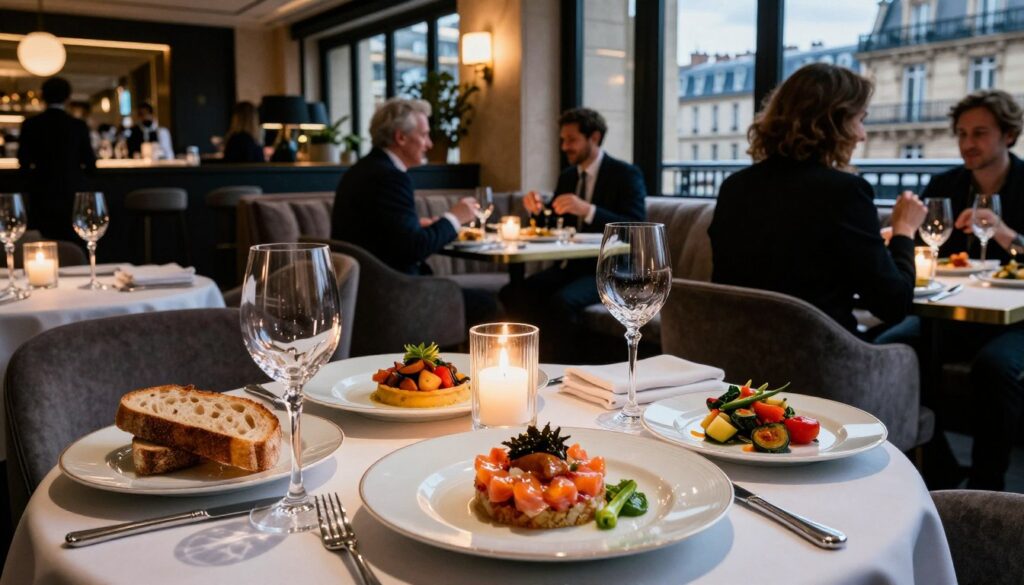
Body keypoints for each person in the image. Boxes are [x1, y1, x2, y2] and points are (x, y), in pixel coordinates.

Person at [708, 62, 927, 334]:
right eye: (859, 120)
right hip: (821, 363)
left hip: (740, 356)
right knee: (919, 330)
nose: (862, 135)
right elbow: (893, 305)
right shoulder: (845, 192)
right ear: (832, 122)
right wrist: (904, 230)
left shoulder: (734, 188)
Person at [910, 90, 1024, 490]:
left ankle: (986, 488)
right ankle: (937, 469)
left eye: (980, 133)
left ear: (1008, 135)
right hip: (954, 313)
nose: (967, 144)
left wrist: (1007, 234)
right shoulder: (945, 184)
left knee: (995, 368)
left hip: (1016, 321)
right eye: (961, 134)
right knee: (890, 349)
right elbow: (920, 245)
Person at [331, 97, 496, 325]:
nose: (429, 144)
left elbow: (384, 235)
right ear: (401, 137)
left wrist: (416, 226)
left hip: (365, 291)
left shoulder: (361, 171)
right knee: (490, 307)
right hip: (392, 298)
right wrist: (455, 217)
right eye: (424, 135)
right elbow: (414, 248)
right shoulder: (390, 178)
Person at [501, 107, 647, 359]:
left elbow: (635, 228)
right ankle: (524, 362)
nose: (565, 146)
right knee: (514, 292)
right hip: (571, 268)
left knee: (561, 302)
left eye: (571, 140)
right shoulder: (568, 177)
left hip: (613, 272)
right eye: (563, 140)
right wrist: (536, 210)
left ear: (595, 138)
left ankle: (568, 369)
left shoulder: (625, 174)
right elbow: (554, 223)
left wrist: (589, 210)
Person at [17, 77, 96, 242]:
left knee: (44, 241)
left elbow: (23, 161)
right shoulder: (78, 125)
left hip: (41, 192)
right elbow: (90, 162)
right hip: (72, 191)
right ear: (68, 98)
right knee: (74, 239)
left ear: (42, 97)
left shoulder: (31, 124)